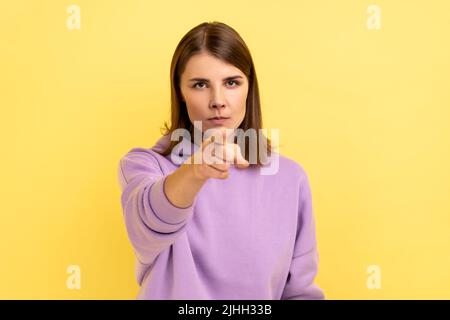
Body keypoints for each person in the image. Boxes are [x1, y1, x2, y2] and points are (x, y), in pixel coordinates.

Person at [117, 21, 325, 300]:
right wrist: (196, 169)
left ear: (249, 88)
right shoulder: (145, 166)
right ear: (180, 92)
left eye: (231, 83)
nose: (218, 100)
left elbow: (299, 292)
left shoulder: (290, 178)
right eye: (200, 84)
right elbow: (148, 227)